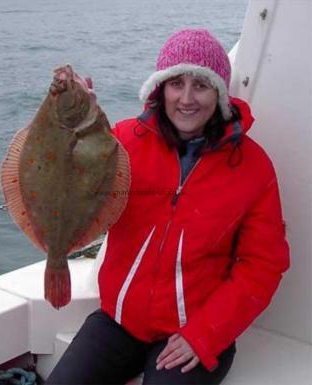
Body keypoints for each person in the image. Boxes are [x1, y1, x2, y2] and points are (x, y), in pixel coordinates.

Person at [46, 28, 290, 385]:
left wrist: (206, 334)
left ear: (220, 94)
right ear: (161, 89)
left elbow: (263, 265)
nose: (187, 98)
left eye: (201, 85)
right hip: (119, 321)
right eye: (177, 83)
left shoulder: (253, 168)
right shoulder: (122, 143)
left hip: (194, 333)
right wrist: (77, 130)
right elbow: (73, 191)